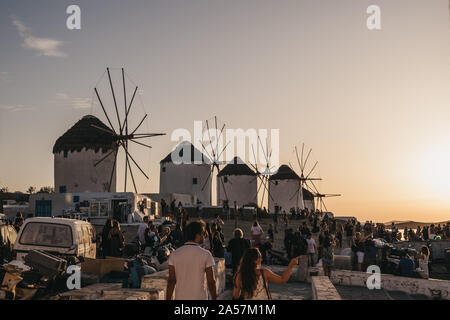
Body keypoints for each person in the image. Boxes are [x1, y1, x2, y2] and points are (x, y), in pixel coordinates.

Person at [166, 220, 217, 300]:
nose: (205, 236)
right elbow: (211, 282)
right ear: (197, 235)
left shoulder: (174, 254)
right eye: (203, 233)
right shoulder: (206, 254)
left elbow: (171, 281)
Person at [233, 248, 300, 300]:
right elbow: (283, 280)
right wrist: (291, 265)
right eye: (259, 257)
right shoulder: (264, 273)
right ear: (254, 260)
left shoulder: (240, 275)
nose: (261, 259)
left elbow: (236, 296)